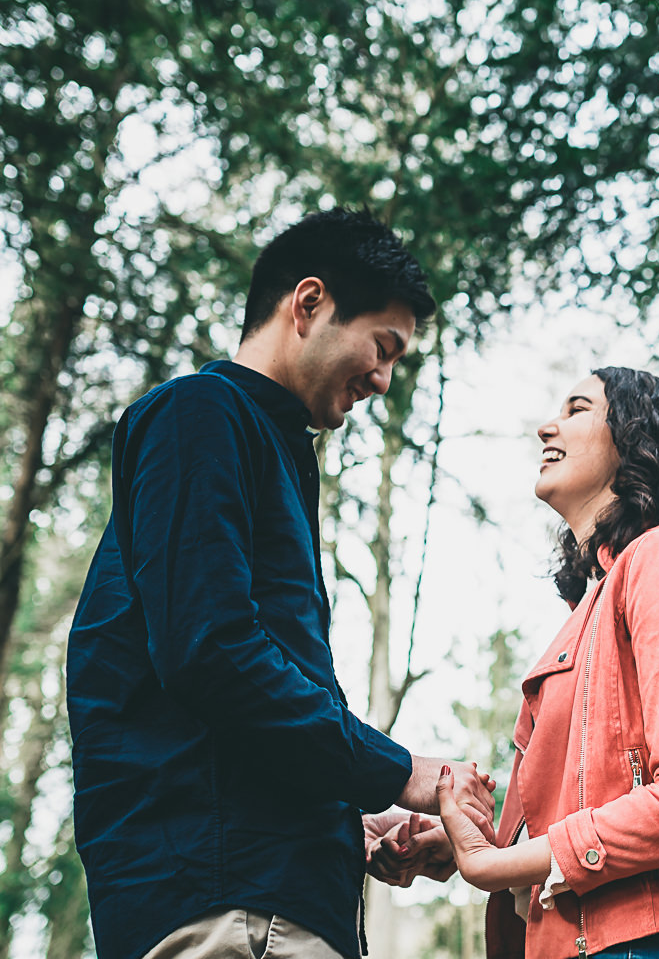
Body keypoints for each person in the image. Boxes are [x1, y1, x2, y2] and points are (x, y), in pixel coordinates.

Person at [67, 207, 494, 959]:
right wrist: (404, 775)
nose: (385, 379)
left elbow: (224, 716)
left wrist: (343, 825)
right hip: (230, 910)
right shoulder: (200, 415)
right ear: (309, 304)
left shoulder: (264, 445)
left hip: (260, 898)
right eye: (383, 346)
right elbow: (211, 652)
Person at [434, 366, 659, 959]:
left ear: (637, 438)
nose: (547, 426)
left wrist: (491, 865)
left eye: (576, 409)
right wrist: (452, 840)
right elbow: (575, 811)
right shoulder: (587, 608)